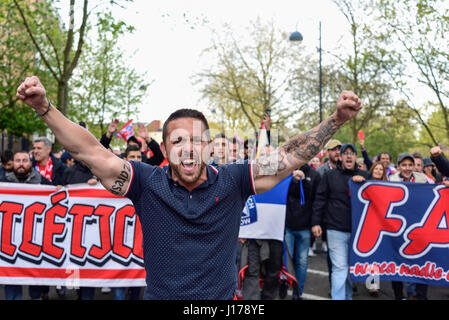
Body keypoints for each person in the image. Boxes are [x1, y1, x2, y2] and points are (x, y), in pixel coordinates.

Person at [17, 75, 362, 300]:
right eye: (179, 140)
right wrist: (44, 107)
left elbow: (288, 156)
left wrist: (337, 120)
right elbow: (90, 151)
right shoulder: (145, 183)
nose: (189, 147)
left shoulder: (234, 180)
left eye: (198, 140)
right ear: (165, 151)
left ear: (210, 148)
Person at [311, 143, 370, 300]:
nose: (349, 156)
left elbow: (379, 195)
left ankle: (348, 296)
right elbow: (320, 199)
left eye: (352, 153)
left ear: (356, 157)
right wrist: (316, 222)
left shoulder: (365, 176)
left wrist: (364, 184)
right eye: (346, 153)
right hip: (335, 229)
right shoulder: (330, 176)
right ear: (341, 157)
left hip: (358, 231)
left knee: (350, 269)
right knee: (339, 268)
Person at [1, 151, 51, 300]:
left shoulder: (44, 183)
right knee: (11, 286)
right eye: (17, 161)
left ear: (31, 163)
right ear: (13, 163)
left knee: (35, 286)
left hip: (34, 242)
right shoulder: (3, 182)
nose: (21, 164)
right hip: (9, 243)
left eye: (25, 160)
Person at [389, 153, 429, 300]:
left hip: (417, 229)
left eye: (410, 165)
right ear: (399, 166)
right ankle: (399, 296)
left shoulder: (422, 179)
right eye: (404, 165)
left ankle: (420, 296)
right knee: (397, 264)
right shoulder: (391, 180)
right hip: (397, 229)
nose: (407, 168)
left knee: (421, 263)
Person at [284, 164, 321, 299]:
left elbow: (316, 199)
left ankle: (297, 292)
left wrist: (315, 223)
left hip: (305, 226)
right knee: (287, 260)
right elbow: (283, 193)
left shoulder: (315, 175)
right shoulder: (286, 171)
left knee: (302, 261)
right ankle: (284, 284)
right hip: (288, 224)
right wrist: (293, 181)